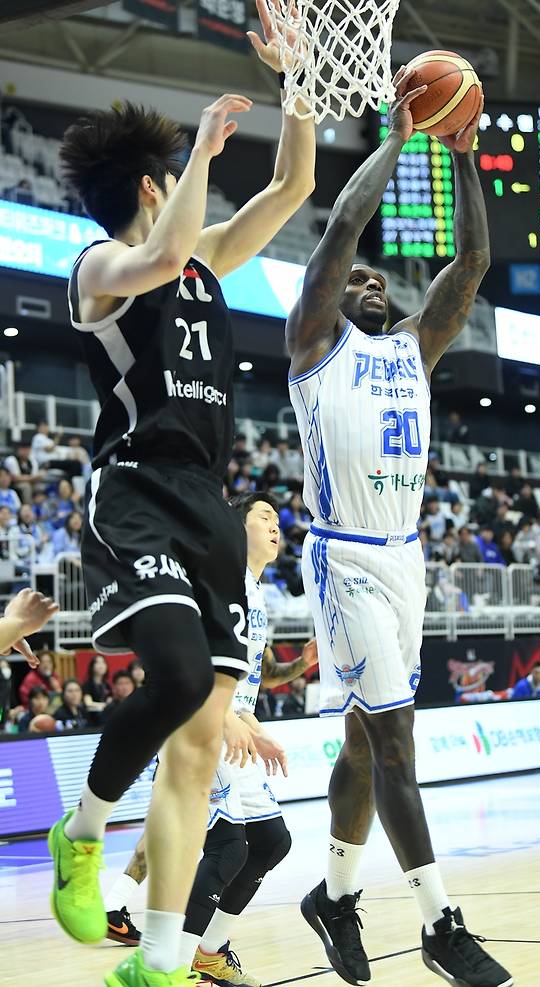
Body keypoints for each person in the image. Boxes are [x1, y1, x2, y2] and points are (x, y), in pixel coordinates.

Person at [48, 9, 316, 982]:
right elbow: (157, 257)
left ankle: (158, 959)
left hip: (206, 499)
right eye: (180, 183)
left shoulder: (208, 261)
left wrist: (296, 85)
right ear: (156, 188)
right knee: (173, 684)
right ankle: (79, 834)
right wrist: (204, 141)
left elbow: (293, 184)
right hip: (135, 489)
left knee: (198, 749)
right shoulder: (99, 271)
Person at [286, 67, 511, 987]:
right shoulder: (313, 344)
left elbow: (471, 268)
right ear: (336, 297)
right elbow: (342, 228)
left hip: (406, 559)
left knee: (359, 744)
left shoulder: (413, 350)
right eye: (360, 280)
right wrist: (404, 133)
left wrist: (461, 157)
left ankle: (332, 897)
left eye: (384, 279)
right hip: (343, 558)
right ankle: (439, 921)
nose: (372, 279)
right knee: (396, 746)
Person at [103, 493, 319, 987]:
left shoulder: (259, 593)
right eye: (262, 516)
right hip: (197, 721)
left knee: (270, 841)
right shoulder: (218, 578)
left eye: (276, 519)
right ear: (232, 525)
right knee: (227, 847)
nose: (275, 524)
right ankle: (167, 965)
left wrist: (257, 723)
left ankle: (209, 951)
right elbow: (189, 659)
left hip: (230, 724)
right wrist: (225, 716)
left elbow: (248, 680)